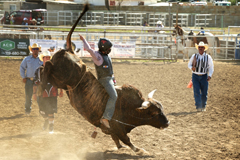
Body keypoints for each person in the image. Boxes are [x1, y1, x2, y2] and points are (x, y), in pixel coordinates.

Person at [79, 34, 117, 129]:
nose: (110, 50)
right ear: (105, 48)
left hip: (110, 80)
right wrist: (83, 39)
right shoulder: (98, 56)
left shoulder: (107, 57)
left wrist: (113, 79)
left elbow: (110, 71)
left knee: (115, 95)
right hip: (104, 81)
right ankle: (106, 118)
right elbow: (89, 49)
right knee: (114, 96)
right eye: (109, 48)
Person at [33, 51, 63, 133]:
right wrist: (34, 93)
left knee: (51, 110)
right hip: (42, 92)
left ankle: (51, 126)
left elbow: (59, 81)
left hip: (52, 92)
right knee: (42, 111)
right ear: (43, 59)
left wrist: (61, 91)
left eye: (49, 58)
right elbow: (35, 82)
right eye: (46, 57)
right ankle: (46, 121)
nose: (48, 59)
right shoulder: (38, 70)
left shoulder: (55, 70)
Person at [188, 41, 214, 112]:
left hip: (204, 76)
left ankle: (203, 106)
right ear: (198, 48)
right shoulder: (194, 56)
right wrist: (191, 68)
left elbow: (211, 67)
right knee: (196, 91)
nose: (200, 48)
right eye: (199, 47)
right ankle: (198, 107)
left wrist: (210, 75)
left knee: (204, 92)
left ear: (204, 48)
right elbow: (189, 64)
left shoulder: (208, 57)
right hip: (195, 75)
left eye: (202, 47)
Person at [20, 43, 43, 115]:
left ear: (38, 50)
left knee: (40, 96)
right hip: (29, 80)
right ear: (32, 50)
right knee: (28, 96)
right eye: (34, 49)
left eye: (36, 49)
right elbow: (22, 68)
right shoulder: (27, 59)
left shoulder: (41, 60)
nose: (35, 51)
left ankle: (41, 110)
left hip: (38, 81)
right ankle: (27, 110)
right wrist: (23, 77)